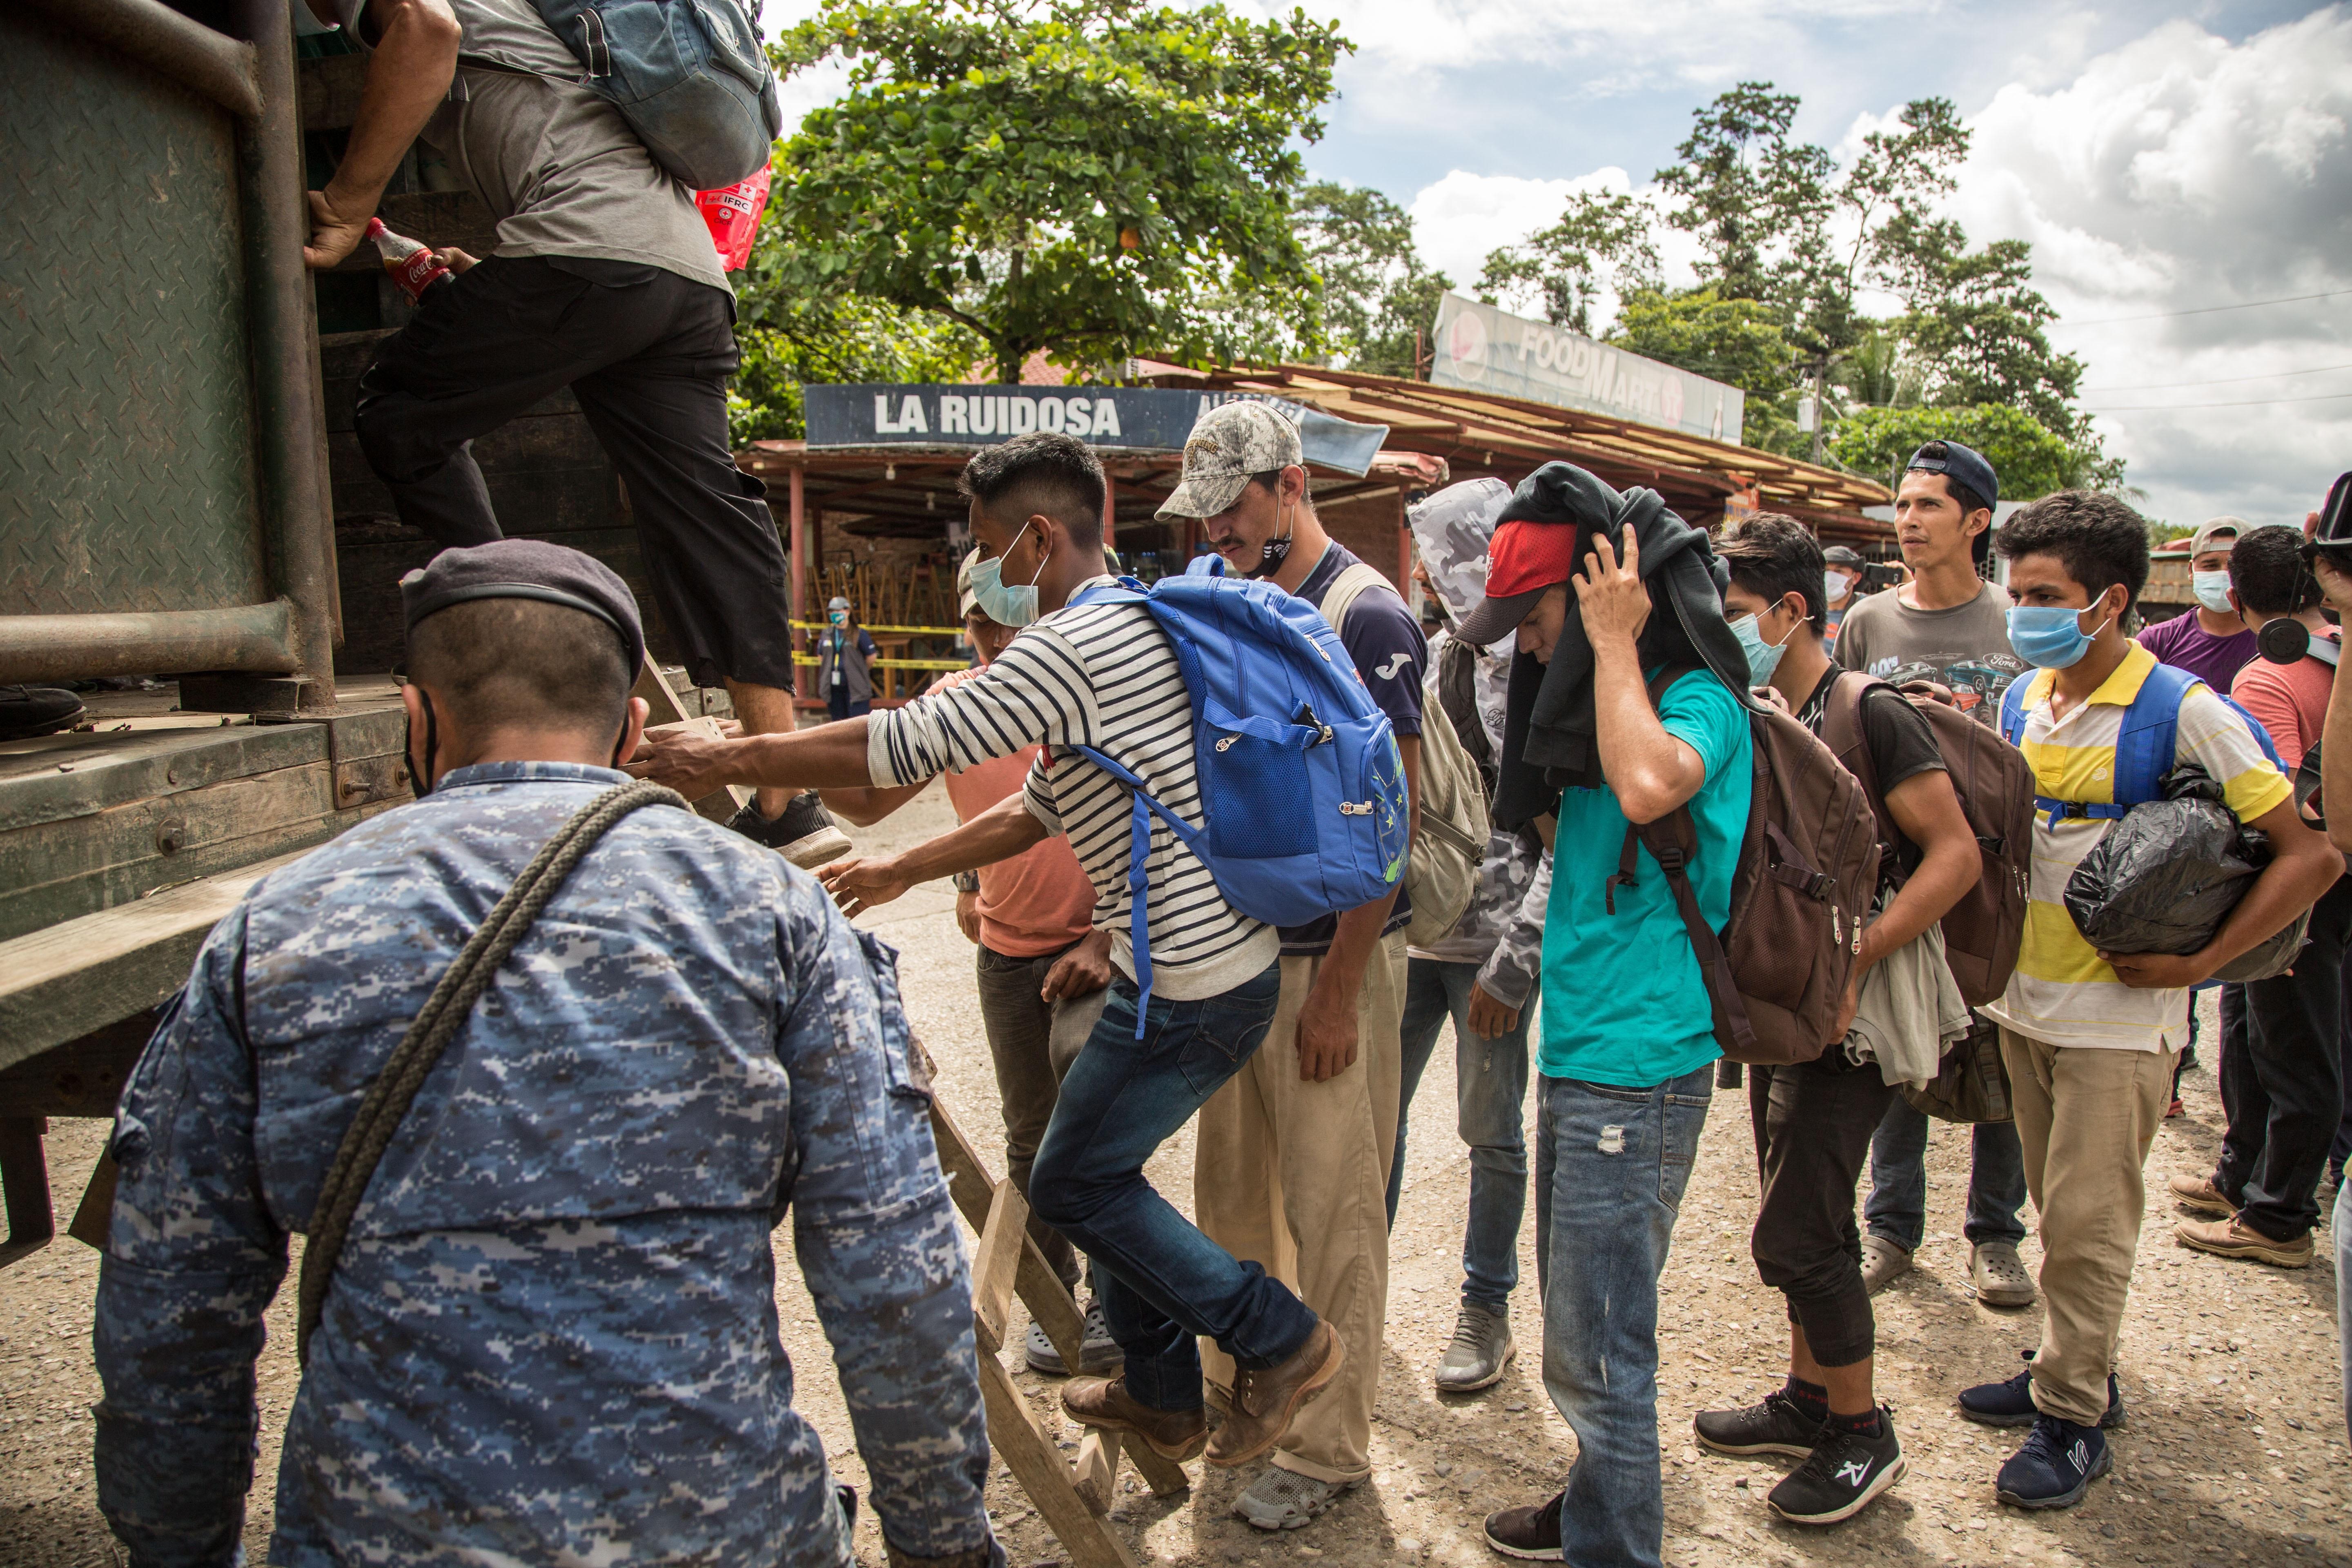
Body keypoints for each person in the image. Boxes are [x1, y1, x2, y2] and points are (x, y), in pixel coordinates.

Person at [90, 540, 994, 1566]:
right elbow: (890, 1272)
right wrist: (942, 1543)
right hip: (720, 1532)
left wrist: (176, 1543)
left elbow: (167, 1307)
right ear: (635, 728)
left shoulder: (274, 931)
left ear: (414, 719)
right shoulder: (770, 914)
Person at [630, 430, 1347, 1475]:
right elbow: (1038, 805)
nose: (982, 567)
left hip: (1189, 985)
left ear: (1038, 539)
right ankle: (1163, 1397)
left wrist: (732, 749)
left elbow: (901, 742)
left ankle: (1278, 1338)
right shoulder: (1123, 624)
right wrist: (903, 868)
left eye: (986, 545)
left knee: (1073, 1183)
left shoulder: (1069, 646)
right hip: (1196, 966)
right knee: (1099, 1173)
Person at [294, 0, 847, 868]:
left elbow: (424, 31)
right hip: (681, 272)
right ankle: (787, 802)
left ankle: (525, 620)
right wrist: (502, 282)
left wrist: (348, 200)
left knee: (401, 413)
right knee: (710, 515)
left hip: (588, 251)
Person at [1960, 492, 2339, 1510]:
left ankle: (2071, 1418)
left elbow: (2309, 856)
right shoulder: (2019, 699)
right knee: (2052, 1207)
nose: (2021, 608)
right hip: (2023, 1008)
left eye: (2044, 594)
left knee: (2087, 1221)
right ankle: (2065, 1362)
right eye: (2017, 588)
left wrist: (2200, 964)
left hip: (2117, 1027)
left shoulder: (2185, 709)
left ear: (2109, 600)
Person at [1459, 465, 1753, 1568]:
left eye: (1536, 620)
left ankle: (1614, 1549)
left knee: (1601, 1354)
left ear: (1597, 602)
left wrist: (1614, 641)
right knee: (1579, 1334)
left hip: (1640, 1068)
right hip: (1585, 1055)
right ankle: (1590, 1509)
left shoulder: (1694, 701)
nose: (1525, 648)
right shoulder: (1591, 709)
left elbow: (1646, 791)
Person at [1163, 402, 1425, 1532]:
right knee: (1233, 1200)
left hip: (1333, 965)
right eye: (1204, 510)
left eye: (1233, 505)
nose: (1215, 527)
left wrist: (1336, 992)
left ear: (1292, 486)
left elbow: (1391, 822)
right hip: (1240, 960)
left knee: (1334, 1210)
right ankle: (1251, 1396)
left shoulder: (1367, 618)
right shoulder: (1224, 597)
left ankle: (1328, 1453)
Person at [1697, 515, 1982, 1524]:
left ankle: (1862, 1433)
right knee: (1787, 1190)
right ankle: (1807, 1396)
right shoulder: (1766, 704)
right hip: (1790, 1003)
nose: (1717, 630)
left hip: (1853, 1011)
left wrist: (1854, 957)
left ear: (1789, 610)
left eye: (1732, 613)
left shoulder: (1870, 712)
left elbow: (1952, 855)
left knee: (1801, 1227)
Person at [820, 557, 1121, 1374]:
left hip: (1099, 942)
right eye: (978, 623)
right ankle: (1053, 1292)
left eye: (1001, 621)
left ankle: (1114, 1300)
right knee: (1030, 1134)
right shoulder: (957, 706)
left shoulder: (1085, 692)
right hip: (1007, 951)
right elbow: (873, 797)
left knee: (1094, 1121)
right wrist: (783, 775)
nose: (986, 639)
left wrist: (1107, 936)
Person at [1834, 439, 2035, 1308]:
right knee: (1904, 1039)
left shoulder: (2017, 619)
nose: (1909, 523)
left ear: (1977, 522)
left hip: (1995, 868)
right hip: (1900, 868)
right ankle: (1891, 1228)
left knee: (2000, 1045)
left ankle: (1996, 1235)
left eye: (1928, 508)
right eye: (1902, 507)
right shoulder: (1871, 623)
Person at [1390, 478, 1551, 1396]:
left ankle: (1484, 1307)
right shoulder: (1435, 651)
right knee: (1376, 1117)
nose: (1428, 574)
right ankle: (1353, 1286)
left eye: (1442, 555)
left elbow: (1561, 836)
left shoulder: (1537, 665)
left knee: (1490, 1132)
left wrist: (1518, 961)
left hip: (1493, 950)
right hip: (1412, 933)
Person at [2162, 524, 2348, 1268]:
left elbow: (2287, 806)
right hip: (2332, 886)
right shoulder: (2335, 646)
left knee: (2294, 1050)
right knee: (2251, 1032)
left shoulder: (2270, 676)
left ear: (2236, 594)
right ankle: (2240, 1177)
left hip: (2299, 892)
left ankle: (2280, 1218)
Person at [2136, 518, 2258, 693]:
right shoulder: (2156, 642)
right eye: (2211, 566)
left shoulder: (2274, 643)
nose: (2224, 575)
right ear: (2191, 571)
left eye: (2234, 566)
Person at [818, 596, 880, 722]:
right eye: (831, 612)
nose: (834, 614)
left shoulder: (859, 633)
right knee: (838, 726)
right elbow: (821, 656)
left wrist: (859, 671)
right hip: (834, 690)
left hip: (856, 689)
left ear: (847, 612)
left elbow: (871, 657)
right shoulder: (827, 633)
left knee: (857, 725)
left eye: (838, 611)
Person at [1822, 544, 1865, 652]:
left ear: (1855, 578)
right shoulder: (1808, 609)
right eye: (1826, 570)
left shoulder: (1866, 609)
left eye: (1839, 571)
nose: (1831, 577)